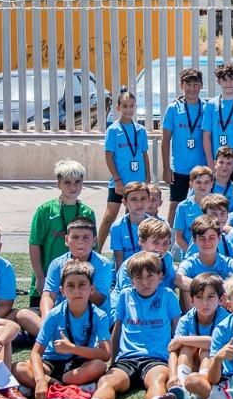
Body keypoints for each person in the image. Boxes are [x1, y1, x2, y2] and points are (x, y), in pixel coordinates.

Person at [59, 252, 181, 399]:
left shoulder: (168, 295)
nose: (144, 282)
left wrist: (176, 364)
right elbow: (117, 330)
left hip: (156, 359)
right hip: (126, 359)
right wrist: (113, 361)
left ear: (160, 277)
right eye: (138, 278)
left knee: (157, 380)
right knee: (107, 382)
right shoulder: (125, 295)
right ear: (131, 280)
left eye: (150, 276)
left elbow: (178, 333)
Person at [13, 260, 112, 399]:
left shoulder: (99, 316)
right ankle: (67, 388)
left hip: (79, 364)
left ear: (91, 289)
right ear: (62, 291)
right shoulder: (54, 315)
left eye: (82, 285)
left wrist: (73, 348)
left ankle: (55, 388)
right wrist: (40, 379)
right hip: (51, 363)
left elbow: (105, 354)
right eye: (70, 286)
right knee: (18, 368)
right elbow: (36, 353)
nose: (76, 291)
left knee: (99, 366)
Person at [28, 159, 95, 302]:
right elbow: (34, 244)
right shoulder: (45, 210)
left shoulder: (87, 213)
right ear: (58, 184)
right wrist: (40, 277)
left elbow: (93, 247)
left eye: (77, 182)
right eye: (67, 182)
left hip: (76, 284)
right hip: (47, 280)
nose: (73, 187)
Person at [98, 88, 149, 253]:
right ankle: (96, 250)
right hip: (119, 183)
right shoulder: (113, 130)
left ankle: (135, 251)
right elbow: (108, 156)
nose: (129, 109)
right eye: (125, 106)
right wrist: (117, 179)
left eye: (132, 106)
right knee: (109, 217)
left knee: (135, 218)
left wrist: (147, 177)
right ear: (118, 107)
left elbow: (144, 154)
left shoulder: (140, 130)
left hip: (137, 183)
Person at [159, 69, 209, 223]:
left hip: (201, 168)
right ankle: (169, 239)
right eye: (188, 84)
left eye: (196, 84)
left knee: (203, 205)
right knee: (175, 204)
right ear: (181, 85)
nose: (192, 88)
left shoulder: (207, 108)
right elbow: (166, 139)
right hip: (179, 167)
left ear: (201, 86)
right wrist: (167, 168)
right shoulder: (173, 108)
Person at [40, 217, 114, 315]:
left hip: (95, 318)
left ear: (94, 241)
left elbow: (100, 300)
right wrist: (46, 320)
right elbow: (48, 296)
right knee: (23, 315)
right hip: (63, 317)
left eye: (86, 237)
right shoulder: (57, 264)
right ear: (66, 240)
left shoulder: (103, 264)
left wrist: (81, 283)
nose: (80, 241)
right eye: (75, 237)